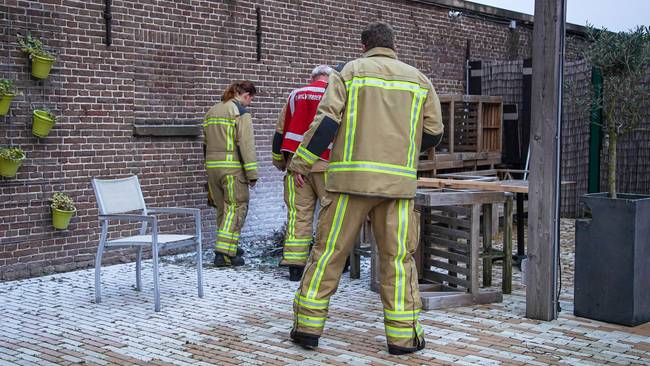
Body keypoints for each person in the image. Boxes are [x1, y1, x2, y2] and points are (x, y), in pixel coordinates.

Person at [286, 22, 444, 355]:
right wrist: (403, 151)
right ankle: (402, 339)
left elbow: (325, 123)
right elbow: (434, 131)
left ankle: (307, 329)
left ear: (364, 46)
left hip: (349, 184)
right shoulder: (419, 80)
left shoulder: (348, 73)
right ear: (394, 45)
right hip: (397, 187)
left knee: (328, 254)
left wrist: (300, 163)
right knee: (398, 261)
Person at [272, 65, 333, 281]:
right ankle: (331, 263)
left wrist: (281, 162)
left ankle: (295, 267)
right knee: (331, 214)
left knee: (298, 214)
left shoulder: (295, 95)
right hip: (328, 164)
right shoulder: (335, 95)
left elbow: (280, 131)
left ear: (312, 77)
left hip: (296, 166)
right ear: (330, 78)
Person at [204, 81, 258, 267]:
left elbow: (205, 142)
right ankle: (225, 253)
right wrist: (252, 173)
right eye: (250, 99)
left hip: (212, 169)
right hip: (232, 169)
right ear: (246, 95)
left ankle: (229, 246)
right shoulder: (240, 113)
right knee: (235, 208)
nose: (249, 103)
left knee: (223, 210)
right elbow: (246, 145)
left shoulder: (212, 111)